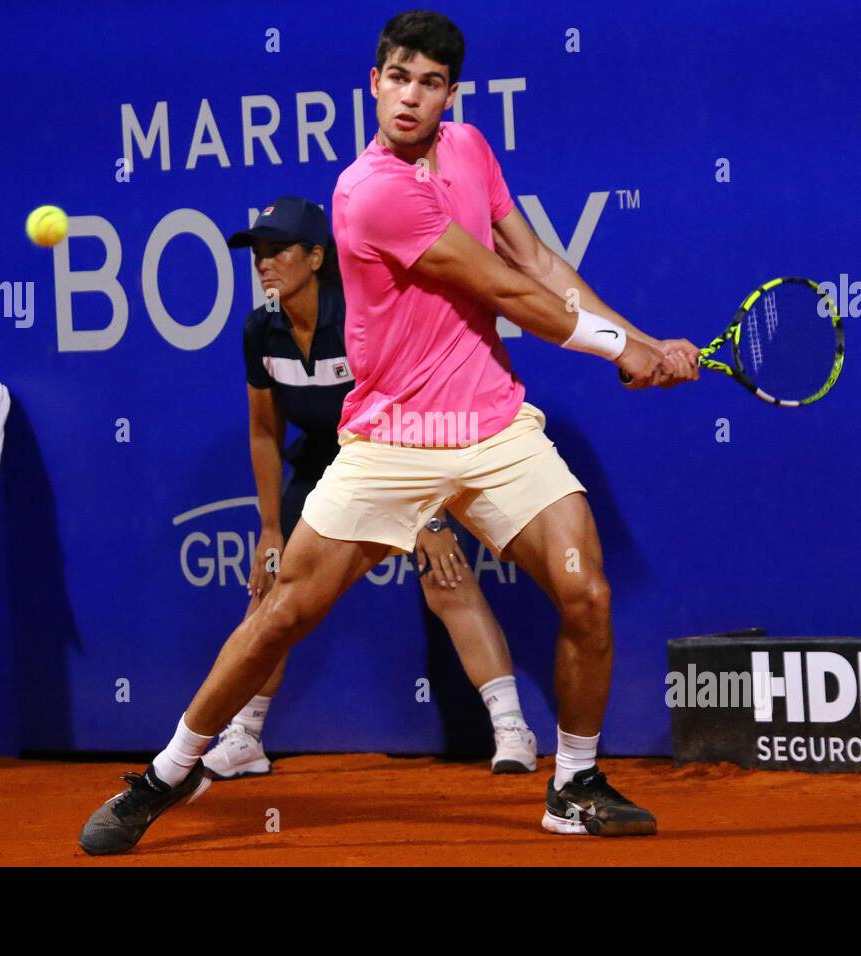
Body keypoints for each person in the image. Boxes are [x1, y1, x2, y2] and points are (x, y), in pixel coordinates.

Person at [79, 9, 698, 856]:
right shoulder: (368, 192)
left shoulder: (473, 151)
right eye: (398, 77)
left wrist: (645, 342)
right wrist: (622, 348)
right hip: (391, 438)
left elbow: (540, 265)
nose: (411, 97)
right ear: (374, 83)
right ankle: (170, 772)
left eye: (431, 83)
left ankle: (574, 782)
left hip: (490, 424)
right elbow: (507, 294)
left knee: (586, 591)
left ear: (451, 94)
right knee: (284, 613)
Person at [202, 194, 537, 780]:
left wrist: (430, 516)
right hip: (323, 465)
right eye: (257, 253)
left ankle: (512, 727)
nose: (263, 264)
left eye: (277, 250)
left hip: (400, 450)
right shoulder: (261, 330)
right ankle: (246, 735)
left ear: (315, 256)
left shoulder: (362, 317)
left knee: (446, 577)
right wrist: (271, 529)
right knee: (273, 591)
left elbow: (412, 404)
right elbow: (263, 433)